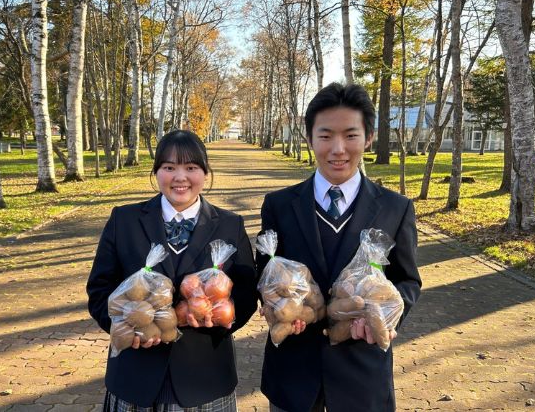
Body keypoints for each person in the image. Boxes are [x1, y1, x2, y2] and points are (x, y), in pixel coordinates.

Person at [257, 83, 422, 412]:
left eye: (350, 135)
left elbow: (408, 280)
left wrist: (383, 318)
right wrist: (272, 302)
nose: (338, 149)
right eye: (325, 135)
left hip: (361, 370)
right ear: (309, 138)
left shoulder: (394, 208)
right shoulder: (279, 205)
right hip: (294, 370)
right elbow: (266, 271)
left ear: (369, 138)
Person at [87, 129, 257, 411]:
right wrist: (128, 326)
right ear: (156, 172)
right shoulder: (124, 220)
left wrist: (221, 319)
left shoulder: (230, 225)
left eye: (191, 167)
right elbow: (99, 289)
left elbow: (246, 294)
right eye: (169, 167)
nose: (180, 177)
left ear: (205, 172)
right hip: (135, 376)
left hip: (204, 378)